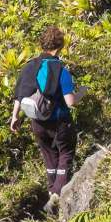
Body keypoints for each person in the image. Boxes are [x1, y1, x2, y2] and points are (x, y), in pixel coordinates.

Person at [8, 25, 78, 202]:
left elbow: (20, 93)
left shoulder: (30, 66)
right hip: (60, 122)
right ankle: (56, 194)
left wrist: (15, 116)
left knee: (49, 155)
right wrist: (83, 92)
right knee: (65, 153)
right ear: (61, 46)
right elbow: (70, 102)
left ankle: (50, 190)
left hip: (37, 121)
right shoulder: (61, 70)